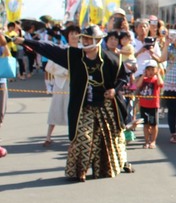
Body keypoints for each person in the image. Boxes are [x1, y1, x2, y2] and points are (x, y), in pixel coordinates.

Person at [17, 25, 132, 181]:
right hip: (83, 106)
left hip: (105, 105)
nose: (84, 41)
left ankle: (109, 167)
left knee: (108, 139)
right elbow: (50, 49)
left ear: (97, 40)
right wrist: (25, 41)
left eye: (88, 38)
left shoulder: (112, 59)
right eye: (83, 38)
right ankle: (79, 171)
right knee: (82, 138)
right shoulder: (73, 56)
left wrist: (114, 90)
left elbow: (123, 78)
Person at [41, 25, 79, 147]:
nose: (73, 36)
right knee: (55, 110)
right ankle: (48, 137)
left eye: (76, 33)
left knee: (73, 112)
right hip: (60, 84)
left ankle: (73, 138)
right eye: (71, 33)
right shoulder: (62, 50)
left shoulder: (83, 51)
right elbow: (49, 67)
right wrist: (62, 73)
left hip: (76, 85)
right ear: (67, 36)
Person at [134, 59, 163, 149]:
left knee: (154, 124)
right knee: (145, 124)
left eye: (152, 69)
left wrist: (158, 74)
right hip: (143, 105)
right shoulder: (144, 79)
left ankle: (153, 141)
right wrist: (143, 75)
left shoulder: (155, 80)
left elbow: (161, 83)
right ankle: (146, 141)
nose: (150, 72)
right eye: (148, 69)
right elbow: (138, 85)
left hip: (153, 105)